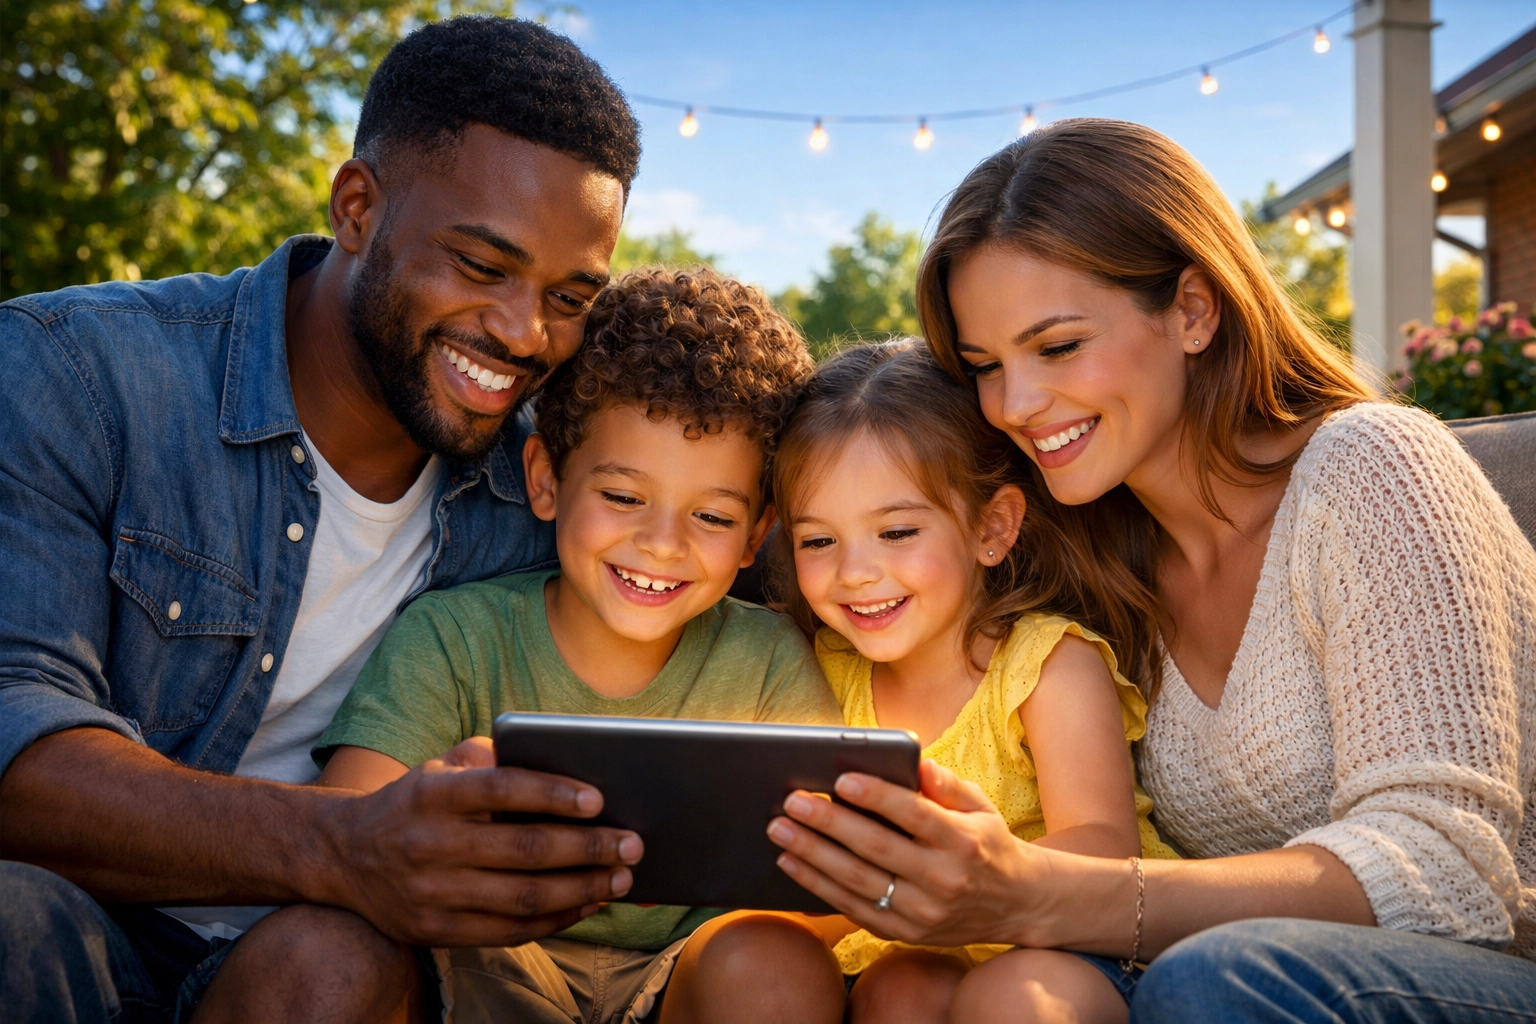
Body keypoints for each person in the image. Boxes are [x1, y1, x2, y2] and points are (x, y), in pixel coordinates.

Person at [764, 118, 1536, 1022]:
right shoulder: (1095, 551)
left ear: (1194, 311)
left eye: (1056, 348)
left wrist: (1034, 891)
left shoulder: (1373, 467)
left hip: (1486, 969)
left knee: (1210, 978)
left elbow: (1452, 865)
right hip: (1211, 981)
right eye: (984, 366)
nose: (1014, 405)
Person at [0, 17, 654, 1024]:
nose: (525, 333)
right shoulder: (76, 375)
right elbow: (16, 738)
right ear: (357, 208)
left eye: (568, 296)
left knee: (337, 954)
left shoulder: (551, 489)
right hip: (71, 926)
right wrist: (342, 844)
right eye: (481, 266)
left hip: (320, 964)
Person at [251, 266, 845, 1024]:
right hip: (484, 956)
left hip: (685, 974)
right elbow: (352, 825)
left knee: (776, 963)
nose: (661, 545)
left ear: (756, 536)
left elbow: (827, 896)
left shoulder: (769, 660)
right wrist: (444, 808)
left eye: (713, 517)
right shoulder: (455, 637)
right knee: (334, 937)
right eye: (624, 498)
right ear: (547, 482)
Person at [764, 339, 1176, 1024]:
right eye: (818, 540)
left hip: (1071, 946)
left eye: (896, 532)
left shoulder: (1045, 666)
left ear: (992, 527)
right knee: (901, 989)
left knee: (1008, 999)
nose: (855, 572)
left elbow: (1106, 848)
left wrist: (968, 874)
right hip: (910, 951)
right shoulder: (824, 670)